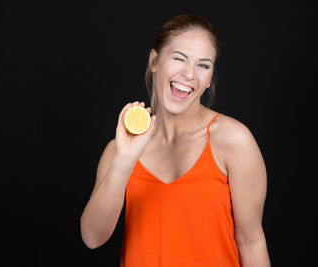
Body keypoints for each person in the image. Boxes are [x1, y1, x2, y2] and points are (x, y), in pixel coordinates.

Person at [80, 14, 271, 267]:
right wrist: (125, 159)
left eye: (203, 65)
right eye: (179, 58)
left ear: (210, 78)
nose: (189, 74)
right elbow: (92, 238)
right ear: (155, 61)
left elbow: (251, 242)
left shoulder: (234, 140)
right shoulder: (119, 150)